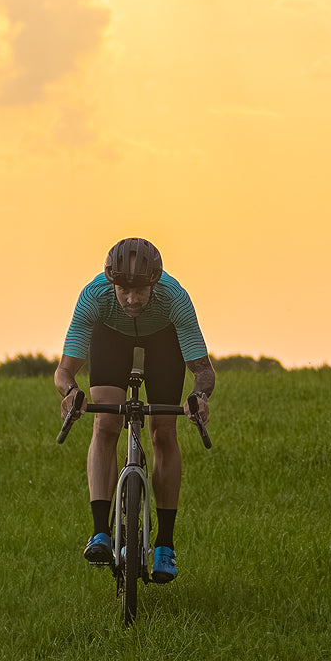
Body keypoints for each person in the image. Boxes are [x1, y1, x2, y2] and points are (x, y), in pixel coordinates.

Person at [55, 237, 214, 583]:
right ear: (111, 282)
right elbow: (64, 372)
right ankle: (100, 532)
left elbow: (203, 371)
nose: (130, 298)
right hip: (110, 338)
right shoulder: (94, 298)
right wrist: (70, 393)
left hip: (163, 340)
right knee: (105, 424)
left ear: (154, 282)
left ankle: (164, 546)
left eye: (140, 290)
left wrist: (199, 397)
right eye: (123, 289)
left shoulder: (175, 299)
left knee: (163, 432)